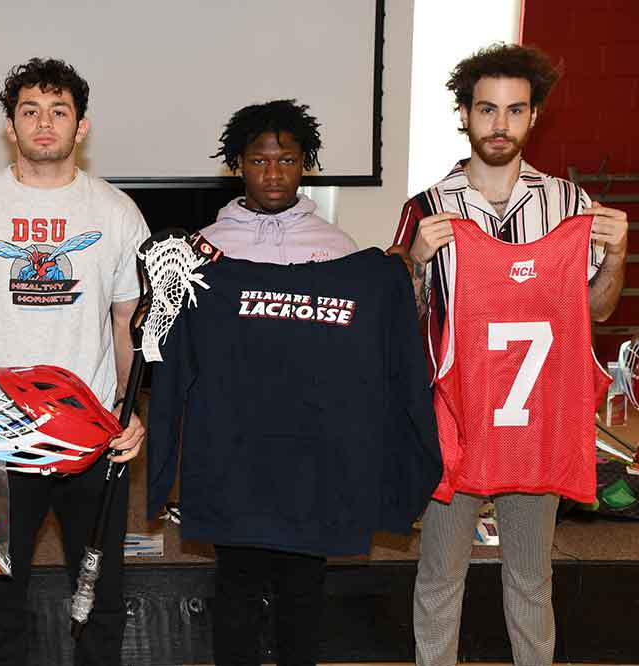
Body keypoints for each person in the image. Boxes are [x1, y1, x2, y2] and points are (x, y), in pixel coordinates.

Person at [393, 44, 627, 666]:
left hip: (536, 421)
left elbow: (596, 311)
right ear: (464, 115)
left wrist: (618, 254)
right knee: (440, 579)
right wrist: (415, 262)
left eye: (514, 111)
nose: (500, 124)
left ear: (533, 117)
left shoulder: (571, 208)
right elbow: (397, 322)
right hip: (457, 422)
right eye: (487, 109)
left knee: (531, 578)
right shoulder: (425, 209)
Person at [0, 57, 148, 666]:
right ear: (10, 125)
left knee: (101, 595)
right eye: (30, 111)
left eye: (58, 111)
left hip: (94, 437)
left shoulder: (117, 212)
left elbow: (128, 323)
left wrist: (129, 412)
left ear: (81, 127)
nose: (44, 123)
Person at [198, 99, 356, 666]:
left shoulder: (339, 248)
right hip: (235, 446)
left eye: (286, 160)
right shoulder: (205, 248)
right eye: (259, 161)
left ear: (304, 164)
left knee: (302, 584)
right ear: (237, 164)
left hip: (309, 447)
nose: (272, 173)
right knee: (237, 581)